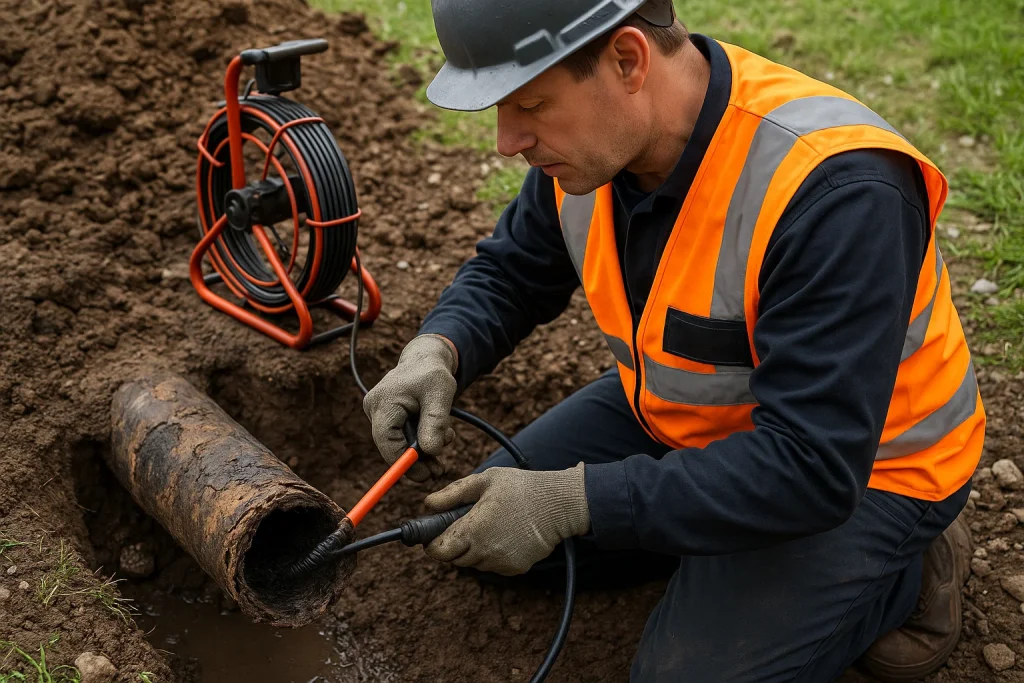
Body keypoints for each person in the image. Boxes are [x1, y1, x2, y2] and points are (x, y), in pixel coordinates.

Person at [361, 1, 985, 680]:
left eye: (530, 105)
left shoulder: (835, 188)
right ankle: (706, 538)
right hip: (689, 416)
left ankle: (905, 571)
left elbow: (811, 464)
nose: (507, 141)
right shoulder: (597, 153)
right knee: (499, 543)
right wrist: (440, 347)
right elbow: (514, 269)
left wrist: (578, 500)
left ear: (628, 60)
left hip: (863, 469)